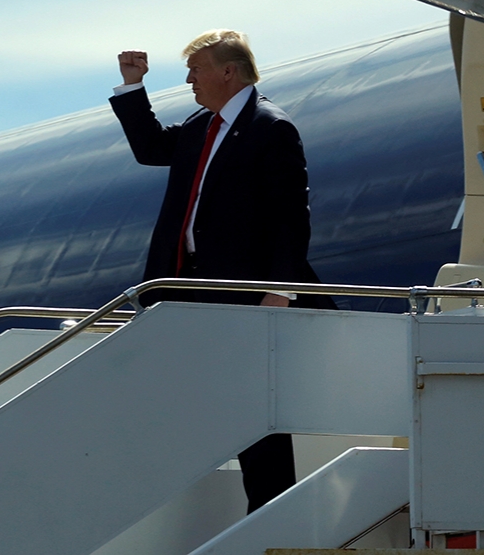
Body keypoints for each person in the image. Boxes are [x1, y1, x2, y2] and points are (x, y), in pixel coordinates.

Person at [108, 29, 331, 513]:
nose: (189, 80)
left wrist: (279, 292)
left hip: (241, 295)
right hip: (190, 286)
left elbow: (292, 217)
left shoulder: (270, 127)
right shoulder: (200, 126)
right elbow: (150, 148)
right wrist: (132, 86)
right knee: (196, 392)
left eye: (196, 70)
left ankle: (271, 515)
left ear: (228, 72)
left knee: (253, 406)